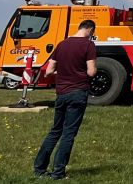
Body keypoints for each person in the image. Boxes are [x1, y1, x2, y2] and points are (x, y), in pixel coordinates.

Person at [33, 19, 97, 179]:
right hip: (78, 92)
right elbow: (91, 72)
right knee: (68, 133)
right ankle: (58, 173)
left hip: (61, 93)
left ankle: (39, 169)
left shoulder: (62, 44)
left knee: (55, 130)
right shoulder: (88, 45)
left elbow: (49, 70)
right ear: (90, 30)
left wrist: (62, 72)